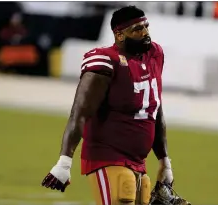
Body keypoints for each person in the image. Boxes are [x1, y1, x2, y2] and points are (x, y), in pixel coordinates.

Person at [41, 5, 174, 204]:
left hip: (139, 161)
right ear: (119, 35)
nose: (145, 33)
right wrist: (64, 162)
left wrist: (164, 161)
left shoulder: (154, 54)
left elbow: (155, 109)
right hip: (107, 155)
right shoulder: (105, 61)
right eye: (137, 29)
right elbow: (80, 113)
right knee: (123, 191)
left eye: (146, 26)